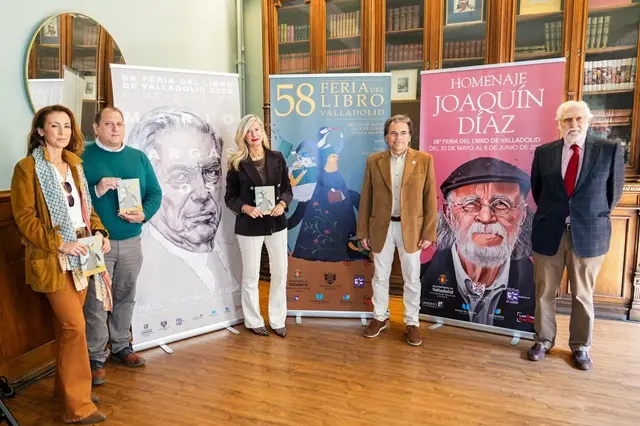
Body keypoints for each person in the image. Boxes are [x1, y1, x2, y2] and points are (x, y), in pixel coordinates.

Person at [10, 105, 111, 424]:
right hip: (52, 257)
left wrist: (101, 233)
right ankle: (78, 407)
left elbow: (86, 209)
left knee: (66, 327)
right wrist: (60, 243)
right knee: (74, 326)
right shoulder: (27, 168)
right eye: (55, 126)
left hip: (84, 252)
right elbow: (24, 218)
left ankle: (66, 389)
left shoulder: (75, 164)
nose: (63, 132)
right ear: (41, 131)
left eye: (67, 126)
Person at [527, 100, 624, 370]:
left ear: (588, 121)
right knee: (544, 292)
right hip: (550, 231)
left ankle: (580, 347)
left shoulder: (609, 150)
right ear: (558, 124)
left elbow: (613, 195)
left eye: (579, 118)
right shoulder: (544, 152)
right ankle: (543, 340)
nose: (573, 124)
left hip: (588, 232)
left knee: (582, 294)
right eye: (567, 120)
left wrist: (585, 216)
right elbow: (538, 191)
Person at [126, 106, 241, 312]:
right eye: (179, 176)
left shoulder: (232, 256)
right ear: (145, 185)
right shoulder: (142, 269)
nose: (202, 194)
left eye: (211, 172)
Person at [82, 107, 162, 386]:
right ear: (96, 128)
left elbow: (155, 193)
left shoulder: (138, 157)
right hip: (93, 243)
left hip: (131, 240)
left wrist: (144, 214)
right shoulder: (81, 158)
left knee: (125, 294)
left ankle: (121, 345)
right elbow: (71, 199)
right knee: (95, 301)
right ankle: (95, 356)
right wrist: (97, 190)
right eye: (108, 124)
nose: (115, 129)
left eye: (119, 123)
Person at [420, 158, 535, 331]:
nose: (486, 217)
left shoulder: (537, 287)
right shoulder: (418, 280)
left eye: (502, 204)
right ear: (449, 214)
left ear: (522, 215)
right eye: (470, 205)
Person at [357, 114, 437, 346]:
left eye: (403, 132)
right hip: (381, 228)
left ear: (410, 136)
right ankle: (379, 317)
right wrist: (363, 232)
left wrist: (428, 233)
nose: (398, 137)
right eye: (393, 133)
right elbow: (366, 197)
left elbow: (430, 198)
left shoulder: (424, 160)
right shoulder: (374, 161)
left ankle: (412, 322)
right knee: (380, 276)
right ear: (386, 137)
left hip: (412, 229)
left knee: (411, 278)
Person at [225, 114, 293, 337]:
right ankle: (253, 320)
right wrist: (246, 208)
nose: (254, 134)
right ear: (243, 136)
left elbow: (287, 189)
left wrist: (282, 204)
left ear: (263, 132)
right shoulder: (236, 163)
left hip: (276, 223)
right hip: (249, 226)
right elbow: (230, 197)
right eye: (248, 131)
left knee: (280, 272)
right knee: (251, 276)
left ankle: (278, 320)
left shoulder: (277, 157)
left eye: (257, 129)